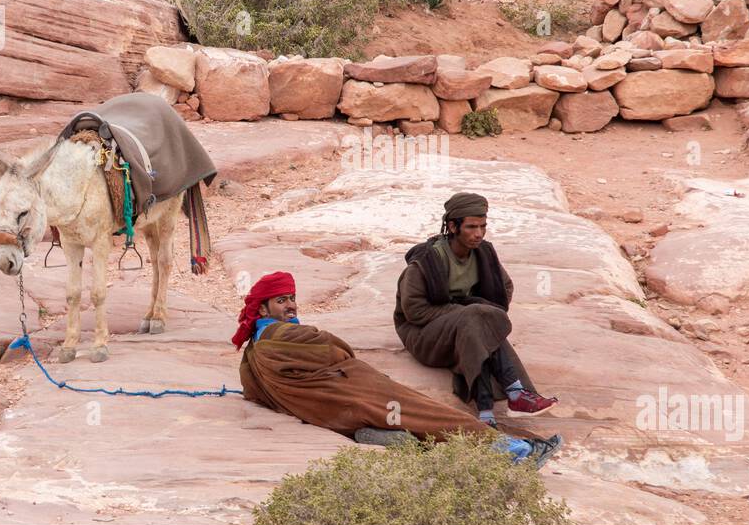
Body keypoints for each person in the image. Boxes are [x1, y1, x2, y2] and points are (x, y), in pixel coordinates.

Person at [233, 271, 560, 466]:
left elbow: (255, 391)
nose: (290, 305)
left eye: (291, 298)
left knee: (418, 422)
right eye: (281, 301)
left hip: (332, 409)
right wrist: (342, 358)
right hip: (351, 392)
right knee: (430, 414)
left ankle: (381, 436)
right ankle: (513, 450)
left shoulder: (254, 352)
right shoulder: (279, 334)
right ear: (263, 307)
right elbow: (328, 346)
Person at [394, 192, 558, 427]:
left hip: (465, 332)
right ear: (452, 226)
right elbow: (414, 311)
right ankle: (515, 392)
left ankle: (486, 413)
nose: (478, 234)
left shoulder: (484, 253)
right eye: (471, 227)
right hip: (423, 335)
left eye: (482, 226)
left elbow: (505, 287)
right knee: (476, 317)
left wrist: (477, 316)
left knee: (479, 322)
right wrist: (464, 312)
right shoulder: (427, 262)